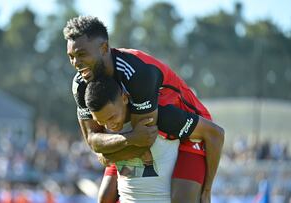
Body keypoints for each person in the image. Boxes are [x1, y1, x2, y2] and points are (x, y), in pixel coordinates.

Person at [63, 15, 221, 202]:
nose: (75, 63)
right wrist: (117, 146)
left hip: (183, 126)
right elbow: (93, 140)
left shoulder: (137, 73)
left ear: (104, 48)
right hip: (131, 130)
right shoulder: (81, 84)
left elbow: (144, 140)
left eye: (81, 54)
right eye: (71, 57)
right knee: (105, 198)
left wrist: (109, 153)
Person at [83, 76, 224, 202]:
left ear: (125, 98)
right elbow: (104, 155)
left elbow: (216, 134)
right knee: (104, 198)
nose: (109, 126)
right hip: (140, 170)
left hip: (186, 144)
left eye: (111, 117)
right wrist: (111, 153)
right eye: (101, 122)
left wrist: (207, 191)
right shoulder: (107, 120)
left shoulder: (161, 116)